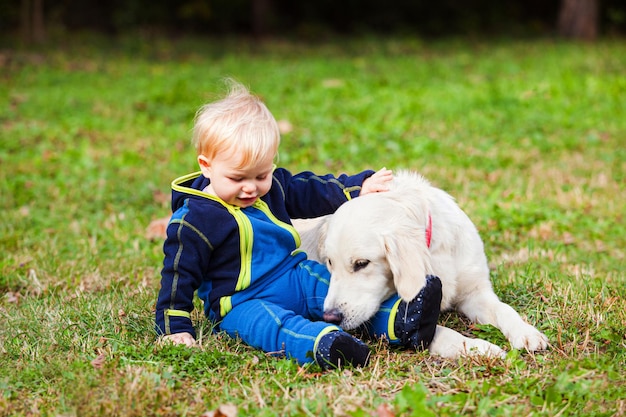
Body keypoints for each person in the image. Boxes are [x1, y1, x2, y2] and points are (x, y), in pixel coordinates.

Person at [155, 80, 442, 370]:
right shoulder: (195, 220)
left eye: (261, 175)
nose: (251, 188)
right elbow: (178, 274)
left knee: (325, 286)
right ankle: (323, 344)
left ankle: (400, 318)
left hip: (291, 275)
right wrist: (174, 326)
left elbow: (312, 191)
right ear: (206, 165)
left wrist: (357, 186)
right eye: (237, 179)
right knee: (273, 325)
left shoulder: (273, 187)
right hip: (241, 301)